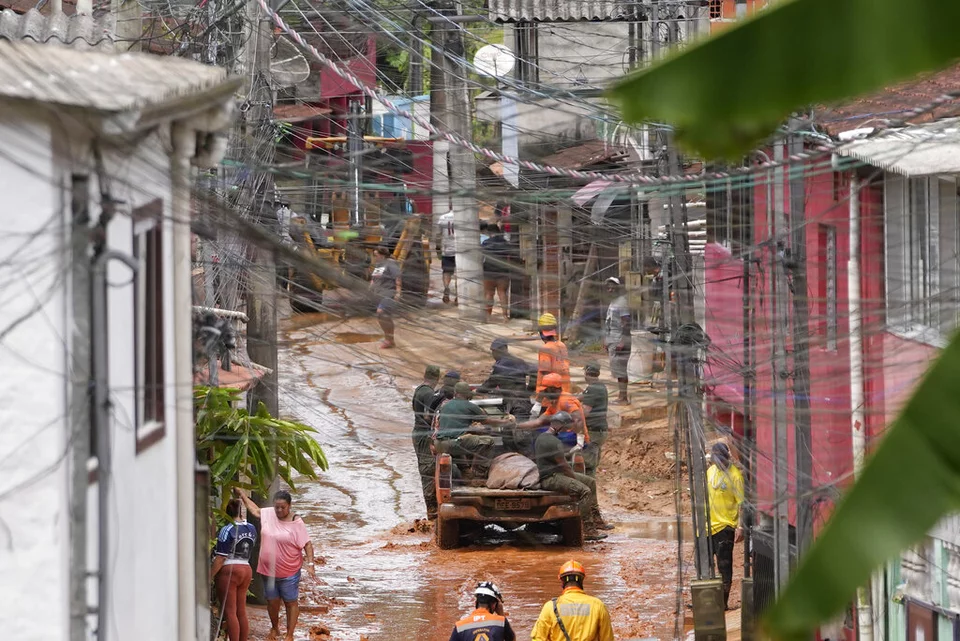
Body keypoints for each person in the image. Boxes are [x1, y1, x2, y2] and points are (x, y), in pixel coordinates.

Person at [235, 489, 317, 641]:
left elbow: (307, 544)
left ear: (289, 506)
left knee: (290, 602)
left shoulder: (296, 522)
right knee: (272, 602)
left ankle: (290, 634)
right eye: (276, 507)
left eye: (282, 507)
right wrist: (243, 495)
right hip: (268, 570)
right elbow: (255, 510)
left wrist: (311, 563)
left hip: (289, 571)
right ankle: (275, 628)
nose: (279, 510)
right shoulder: (269, 514)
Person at [531, 413, 607, 541]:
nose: (567, 430)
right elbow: (565, 467)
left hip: (553, 474)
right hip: (552, 478)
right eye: (566, 427)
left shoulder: (542, 437)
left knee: (591, 482)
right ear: (560, 425)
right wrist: (574, 480)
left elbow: (555, 458)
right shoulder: (554, 442)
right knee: (585, 491)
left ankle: (596, 520)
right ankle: (588, 529)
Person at [434, 381, 514, 474]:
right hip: (453, 443)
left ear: (455, 393)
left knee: (463, 442)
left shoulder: (445, 406)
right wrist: (505, 422)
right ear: (468, 394)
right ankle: (478, 473)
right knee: (488, 442)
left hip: (439, 444)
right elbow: (487, 421)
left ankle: (465, 471)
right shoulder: (470, 406)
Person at [532, 561, 614, 641]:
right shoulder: (598, 606)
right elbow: (607, 638)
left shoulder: (550, 607)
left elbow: (538, 638)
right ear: (582, 580)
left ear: (562, 581)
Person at [212, 498, 257, 641]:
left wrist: (209, 576)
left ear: (227, 512)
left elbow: (220, 558)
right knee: (241, 611)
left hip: (230, 570)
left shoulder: (227, 529)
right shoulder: (251, 527)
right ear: (241, 511)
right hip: (246, 568)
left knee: (230, 612)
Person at [707, 442, 744, 610]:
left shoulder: (735, 476)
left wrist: (740, 527)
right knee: (705, 566)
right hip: (707, 528)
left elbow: (742, 503)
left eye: (721, 460)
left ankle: (722, 604)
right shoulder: (710, 472)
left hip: (725, 527)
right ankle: (707, 601)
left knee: (724, 566)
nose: (719, 463)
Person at [578, 363, 614, 531]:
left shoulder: (594, 389)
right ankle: (593, 516)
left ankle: (592, 518)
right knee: (588, 472)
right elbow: (581, 397)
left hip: (593, 433)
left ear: (587, 372)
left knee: (587, 474)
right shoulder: (598, 387)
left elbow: (584, 412)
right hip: (597, 432)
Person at [518, 373, 588, 442]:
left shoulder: (565, 400)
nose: (544, 393)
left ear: (553, 389)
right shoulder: (554, 403)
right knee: (537, 432)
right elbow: (539, 421)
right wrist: (516, 425)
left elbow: (578, 421)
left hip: (572, 437)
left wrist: (579, 443)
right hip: (563, 434)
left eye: (545, 390)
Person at [477, 338, 535, 421]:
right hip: (522, 402)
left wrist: (477, 391)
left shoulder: (500, 366)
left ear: (503, 349)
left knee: (518, 428)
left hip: (513, 405)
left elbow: (491, 383)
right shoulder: (519, 362)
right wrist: (528, 391)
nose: (493, 355)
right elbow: (534, 374)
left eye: (494, 351)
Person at [413, 365, 441, 519]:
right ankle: (432, 513)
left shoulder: (419, 389)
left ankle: (432, 510)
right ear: (437, 378)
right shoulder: (429, 393)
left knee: (426, 469)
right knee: (428, 471)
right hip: (424, 435)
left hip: (418, 433)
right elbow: (428, 416)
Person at [448, 582, 516, 641]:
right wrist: (501, 613)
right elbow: (512, 639)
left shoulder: (460, 626)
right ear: (494, 605)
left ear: (475, 603)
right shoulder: (501, 622)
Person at [603, 277, 631, 404]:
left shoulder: (621, 302)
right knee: (617, 370)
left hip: (619, 339)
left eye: (612, 286)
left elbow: (626, 323)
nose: (610, 289)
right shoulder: (613, 302)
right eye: (608, 287)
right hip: (613, 339)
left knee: (621, 370)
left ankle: (623, 397)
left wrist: (622, 341)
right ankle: (621, 396)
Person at [370, 246, 402, 348]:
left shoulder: (391, 263)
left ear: (383, 255)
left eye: (376, 255)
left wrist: (398, 292)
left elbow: (397, 278)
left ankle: (389, 339)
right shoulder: (378, 265)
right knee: (383, 316)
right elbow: (374, 278)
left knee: (381, 312)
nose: (375, 258)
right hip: (379, 293)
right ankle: (389, 339)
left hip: (389, 292)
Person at [481, 223, 512, 321]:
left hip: (488, 271)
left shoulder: (485, 243)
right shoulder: (505, 243)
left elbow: (481, 257)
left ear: (489, 233)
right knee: (502, 293)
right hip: (502, 271)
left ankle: (488, 316)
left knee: (489, 294)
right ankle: (505, 316)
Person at [536, 313, 571, 393]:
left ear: (541, 332)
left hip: (551, 396)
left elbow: (546, 375)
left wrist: (539, 400)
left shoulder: (545, 349)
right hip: (564, 391)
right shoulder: (562, 345)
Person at [434, 209, 457, 304]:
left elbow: (438, 235)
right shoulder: (463, 217)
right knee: (459, 273)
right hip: (461, 250)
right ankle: (458, 295)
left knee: (446, 271)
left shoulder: (443, 217)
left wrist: (438, 248)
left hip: (446, 249)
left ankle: (446, 288)